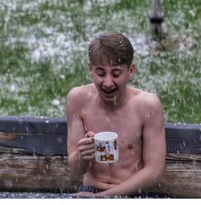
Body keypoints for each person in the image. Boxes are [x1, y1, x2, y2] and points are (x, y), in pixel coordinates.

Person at [66, 31, 166, 198]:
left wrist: (106, 197)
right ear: (90, 70)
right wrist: (82, 156)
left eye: (116, 73)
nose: (108, 82)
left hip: (132, 193)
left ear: (131, 71)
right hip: (90, 190)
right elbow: (76, 170)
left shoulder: (147, 106)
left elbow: (153, 171)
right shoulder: (78, 99)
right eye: (100, 73)